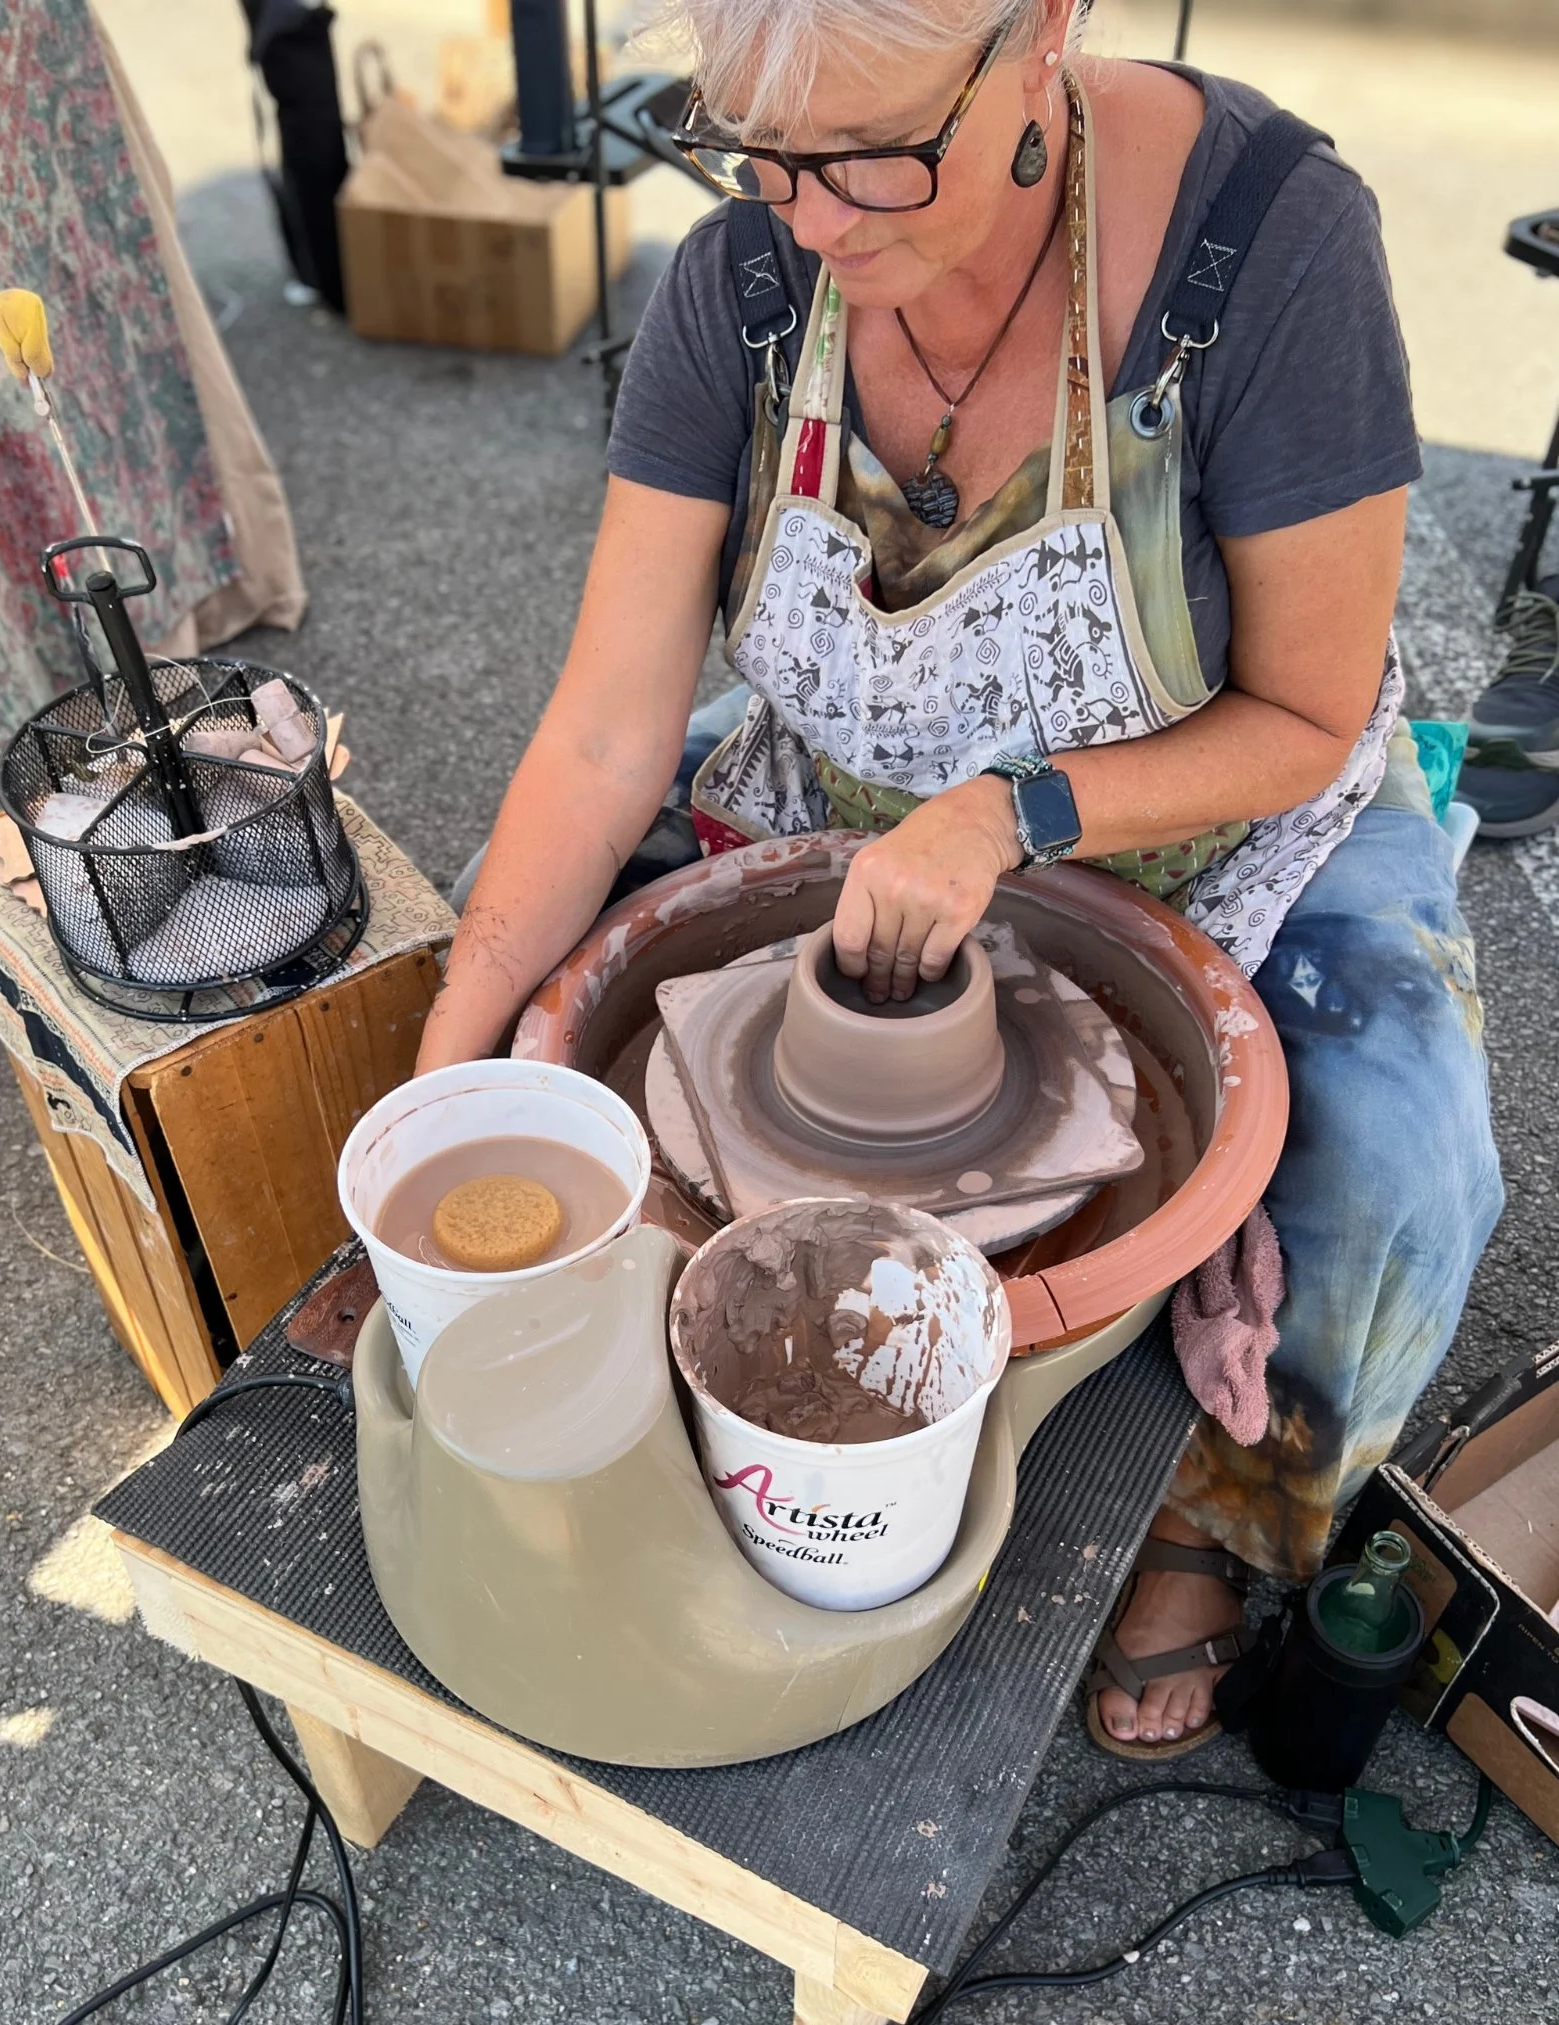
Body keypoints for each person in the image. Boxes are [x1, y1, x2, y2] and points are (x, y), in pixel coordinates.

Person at [418, 0, 1501, 1756]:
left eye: (878, 155)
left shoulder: (1271, 247)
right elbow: (612, 733)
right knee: (520, 959)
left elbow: (1306, 712)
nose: (819, 222)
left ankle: (1205, 1525)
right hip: (837, 790)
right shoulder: (743, 281)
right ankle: (705, 1382)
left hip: (1215, 812)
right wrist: (462, 1061)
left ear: (1045, 29)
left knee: (1393, 1162)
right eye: (763, 156)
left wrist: (1013, 812)